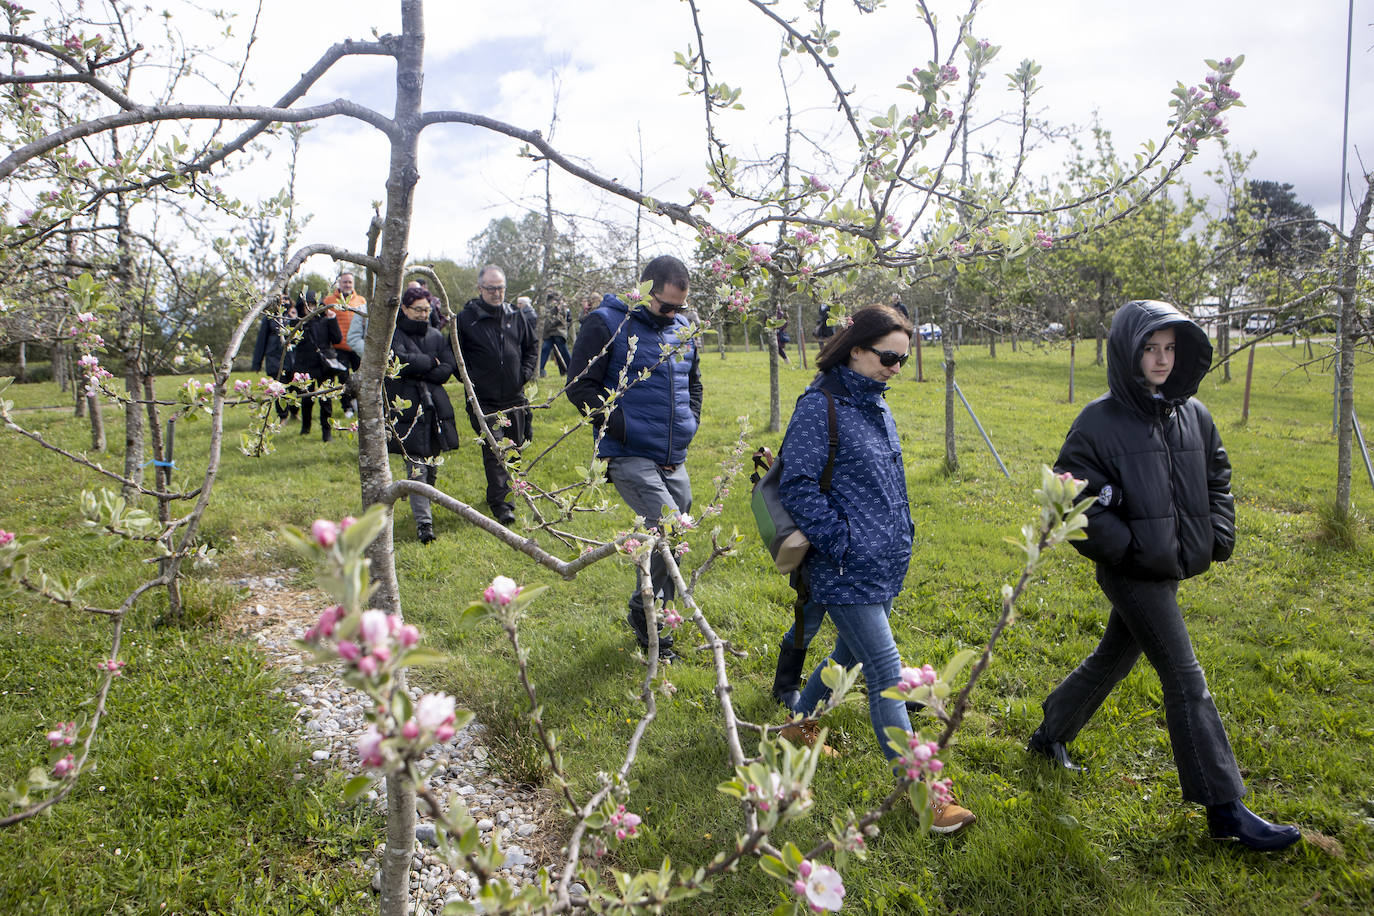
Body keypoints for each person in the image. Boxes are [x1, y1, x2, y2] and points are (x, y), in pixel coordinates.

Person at [1027, 299, 1300, 852]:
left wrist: (1219, 532)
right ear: (1128, 354)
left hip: (1168, 568)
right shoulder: (1099, 421)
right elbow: (1069, 492)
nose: (1161, 360)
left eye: (1170, 349)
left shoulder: (1192, 414)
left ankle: (1048, 734)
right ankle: (1225, 809)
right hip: (1132, 573)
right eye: (1150, 349)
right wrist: (1125, 547)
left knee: (1114, 657)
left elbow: (1217, 472)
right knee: (1185, 676)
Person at [772, 304, 976, 834]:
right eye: (888, 356)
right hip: (845, 568)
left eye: (903, 360)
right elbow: (797, 487)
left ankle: (796, 726)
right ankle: (926, 796)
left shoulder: (876, 403)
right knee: (888, 674)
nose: (895, 368)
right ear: (856, 347)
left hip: (885, 562)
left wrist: (895, 539)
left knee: (849, 657)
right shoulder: (820, 406)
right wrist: (841, 543)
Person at [567, 256, 701, 662]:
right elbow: (579, 386)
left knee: (678, 528)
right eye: (666, 305)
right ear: (645, 291)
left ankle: (650, 608)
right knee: (668, 526)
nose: (674, 313)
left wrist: (690, 421)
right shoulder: (607, 323)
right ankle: (652, 621)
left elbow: (693, 383)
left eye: (681, 306)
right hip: (627, 453)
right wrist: (624, 427)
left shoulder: (682, 328)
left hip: (673, 454)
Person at [455, 265, 538, 525]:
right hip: (485, 399)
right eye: (491, 288)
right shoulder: (466, 319)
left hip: (514, 396)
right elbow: (456, 357)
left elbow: (531, 346)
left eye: (500, 288)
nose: (496, 293)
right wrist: (471, 383)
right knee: (495, 450)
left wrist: (524, 373)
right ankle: (502, 505)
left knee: (515, 446)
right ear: (480, 289)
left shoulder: (516, 315)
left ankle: (508, 490)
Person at [387, 286, 461, 544]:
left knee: (431, 461)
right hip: (408, 407)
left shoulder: (436, 335)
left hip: (435, 408)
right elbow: (399, 361)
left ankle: (424, 506)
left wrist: (419, 366)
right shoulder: (393, 334)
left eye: (427, 310)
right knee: (416, 465)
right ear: (405, 309)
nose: (423, 314)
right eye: (417, 309)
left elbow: (448, 367)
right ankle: (424, 524)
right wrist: (430, 363)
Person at [290, 290, 342, 443]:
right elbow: (291, 342)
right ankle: (305, 428)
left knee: (326, 400)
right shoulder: (298, 323)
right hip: (304, 367)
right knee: (306, 399)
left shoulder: (325, 321)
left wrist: (333, 320)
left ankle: (327, 432)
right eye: (307, 305)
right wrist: (295, 322)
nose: (310, 308)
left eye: (313, 305)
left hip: (324, 367)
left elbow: (337, 339)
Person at [324, 271, 367, 417]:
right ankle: (347, 406)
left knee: (360, 375)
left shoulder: (361, 301)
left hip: (357, 346)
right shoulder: (329, 301)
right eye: (345, 282)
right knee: (344, 378)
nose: (347, 285)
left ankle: (358, 402)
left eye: (350, 282)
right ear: (339, 283)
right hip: (339, 346)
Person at [251, 292, 298, 419]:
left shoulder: (293, 315)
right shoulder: (269, 317)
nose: (284, 302)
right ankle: (282, 416)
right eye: (282, 299)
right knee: (279, 387)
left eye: (286, 299)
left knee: (294, 385)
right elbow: (262, 340)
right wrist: (257, 363)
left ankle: (295, 412)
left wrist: (293, 319)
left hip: (292, 357)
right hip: (274, 358)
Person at [538, 292, 572, 377]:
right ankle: (540, 370)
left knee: (563, 350)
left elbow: (561, 319)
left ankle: (571, 368)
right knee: (545, 349)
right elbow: (546, 318)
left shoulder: (562, 306)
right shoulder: (547, 305)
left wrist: (551, 322)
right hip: (549, 333)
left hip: (558, 331)